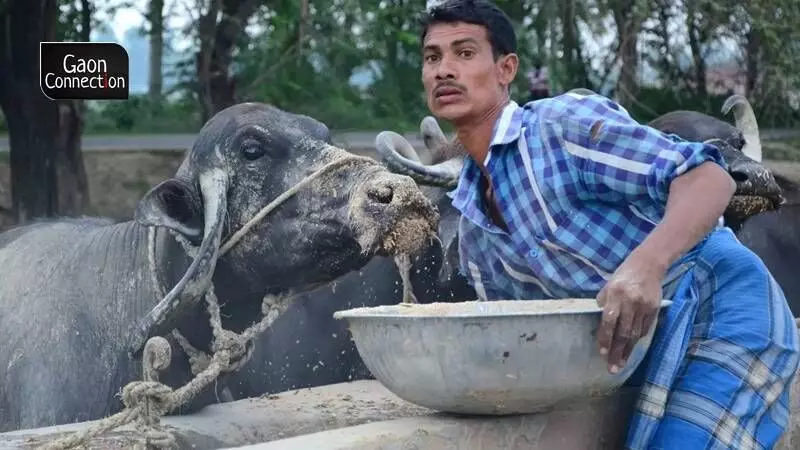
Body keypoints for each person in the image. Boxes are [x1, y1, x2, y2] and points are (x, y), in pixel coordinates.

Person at [416, 1, 799, 449]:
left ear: (506, 69)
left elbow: (710, 177)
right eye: (432, 57)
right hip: (633, 352)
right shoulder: (472, 229)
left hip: (718, 311)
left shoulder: (560, 126)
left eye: (464, 53)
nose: (444, 70)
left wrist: (647, 265)